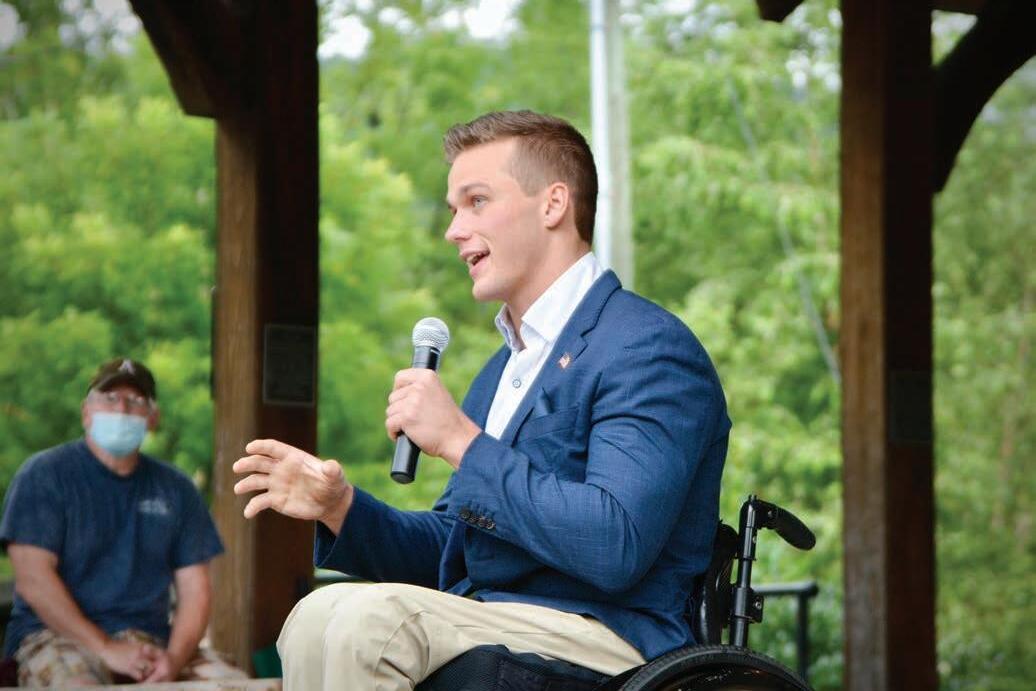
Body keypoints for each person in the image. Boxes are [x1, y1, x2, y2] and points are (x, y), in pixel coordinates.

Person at [233, 110, 731, 690]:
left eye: (476, 202)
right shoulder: (502, 371)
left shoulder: (646, 346)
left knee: (367, 624)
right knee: (316, 615)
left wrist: (460, 442)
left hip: (612, 636)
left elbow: (614, 544)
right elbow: (456, 553)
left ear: (553, 204)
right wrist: (340, 507)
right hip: (490, 617)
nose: (454, 230)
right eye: (453, 210)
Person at [0, 358, 248, 687]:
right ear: (86, 412)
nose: (121, 409)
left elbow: (195, 590)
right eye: (110, 398)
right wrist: (106, 648)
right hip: (54, 637)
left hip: (152, 642)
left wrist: (173, 660)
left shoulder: (177, 489)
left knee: (237, 685)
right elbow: (33, 580)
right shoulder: (43, 475)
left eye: (135, 401)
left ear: (153, 418)